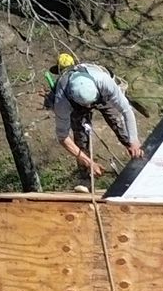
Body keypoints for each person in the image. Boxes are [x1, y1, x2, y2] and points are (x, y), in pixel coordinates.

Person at [45, 53, 144, 191]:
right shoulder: (62, 101)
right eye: (85, 105)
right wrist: (89, 162)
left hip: (102, 96)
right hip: (75, 107)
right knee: (81, 138)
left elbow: (126, 110)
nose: (88, 108)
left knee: (119, 124)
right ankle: (86, 178)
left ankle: (140, 160)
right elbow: (63, 137)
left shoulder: (104, 80)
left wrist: (134, 140)